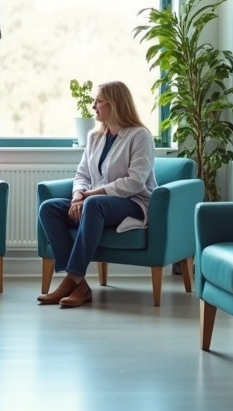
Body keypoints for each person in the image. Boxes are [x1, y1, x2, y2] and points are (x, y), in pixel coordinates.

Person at [37, 81, 157, 308]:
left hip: (131, 202)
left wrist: (90, 195)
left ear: (115, 104)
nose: (93, 106)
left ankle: (70, 279)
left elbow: (134, 182)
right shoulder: (95, 136)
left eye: (98, 100)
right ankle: (80, 285)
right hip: (96, 202)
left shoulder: (140, 136)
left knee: (94, 205)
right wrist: (76, 197)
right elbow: (82, 173)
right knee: (49, 208)